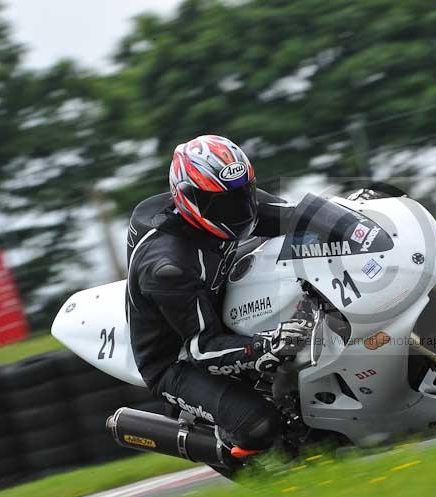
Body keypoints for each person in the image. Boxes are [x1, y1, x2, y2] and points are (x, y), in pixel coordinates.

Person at [125, 134, 311, 459]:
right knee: (260, 426)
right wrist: (267, 345)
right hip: (179, 357)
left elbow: (301, 216)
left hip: (219, 304)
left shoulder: (237, 204)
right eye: (222, 203)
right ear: (188, 199)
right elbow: (202, 348)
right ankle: (238, 460)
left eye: (243, 195)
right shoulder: (168, 266)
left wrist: (357, 216)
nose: (238, 210)